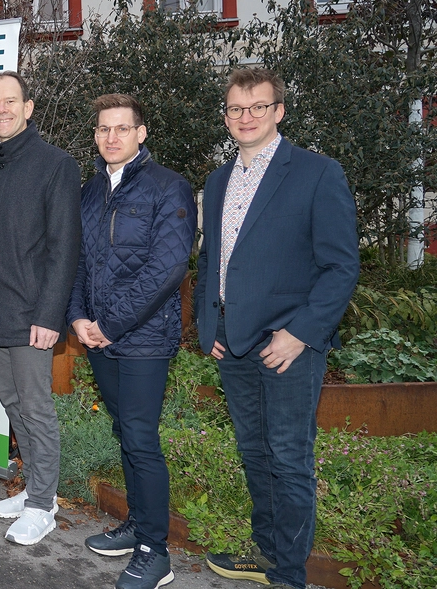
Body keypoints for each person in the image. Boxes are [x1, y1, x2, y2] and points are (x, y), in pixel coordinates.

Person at [195, 68, 358, 589]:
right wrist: (208, 325)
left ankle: (289, 575)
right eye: (236, 109)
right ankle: (267, 553)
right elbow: (213, 261)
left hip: (288, 347)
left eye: (257, 107)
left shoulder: (317, 173)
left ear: (279, 111)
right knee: (254, 451)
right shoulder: (219, 179)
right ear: (226, 116)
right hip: (233, 344)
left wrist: (301, 333)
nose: (246, 118)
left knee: (289, 459)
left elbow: (341, 267)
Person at [66, 94, 196, 589]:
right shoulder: (92, 190)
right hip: (98, 337)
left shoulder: (169, 188)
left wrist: (110, 324)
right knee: (125, 431)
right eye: (103, 130)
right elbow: (78, 261)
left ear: (142, 134)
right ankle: (137, 526)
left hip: (142, 339)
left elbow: (167, 270)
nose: (111, 137)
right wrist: (77, 317)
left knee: (141, 439)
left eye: (122, 128)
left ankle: (154, 552)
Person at [0, 71, 81, 545]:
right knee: (13, 405)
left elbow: (64, 247)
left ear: (29, 107)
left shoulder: (56, 165)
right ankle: (37, 489)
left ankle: (41, 507)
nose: (1, 110)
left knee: (35, 409)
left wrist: (50, 315)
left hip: (32, 315)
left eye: (10, 101)